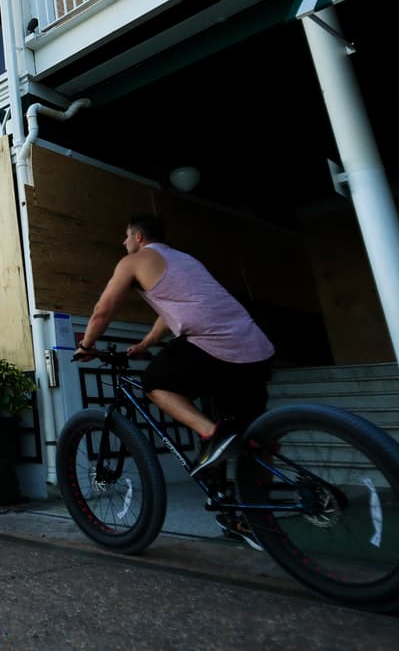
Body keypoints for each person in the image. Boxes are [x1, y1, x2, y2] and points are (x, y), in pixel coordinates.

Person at [73, 214, 275, 548]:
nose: (123, 243)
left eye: (125, 237)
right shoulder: (184, 260)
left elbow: (103, 308)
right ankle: (255, 517)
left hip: (212, 344)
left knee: (156, 382)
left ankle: (211, 434)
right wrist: (144, 345)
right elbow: (169, 313)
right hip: (252, 346)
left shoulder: (134, 261)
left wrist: (85, 346)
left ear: (138, 237)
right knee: (251, 436)